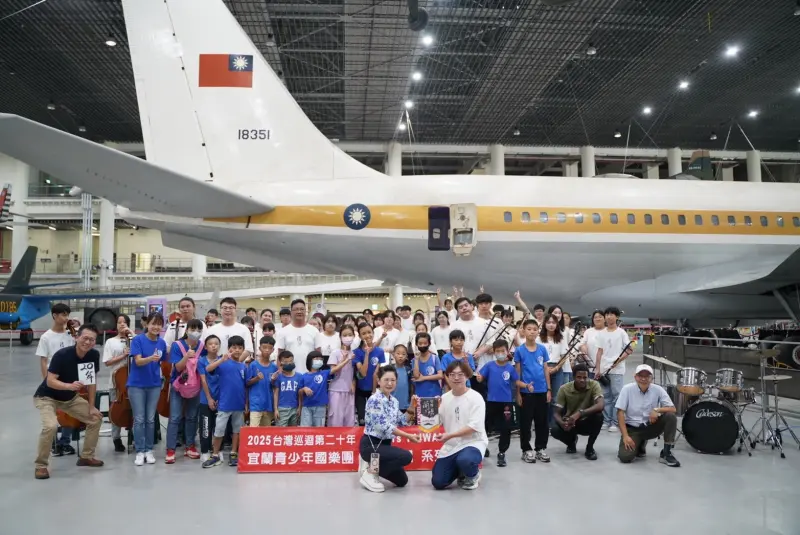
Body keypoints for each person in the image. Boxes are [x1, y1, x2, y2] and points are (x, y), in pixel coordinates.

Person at [33, 324, 104, 479]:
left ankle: (86, 456)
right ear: (76, 337)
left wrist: (91, 407)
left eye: (92, 340)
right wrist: (69, 386)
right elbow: (50, 381)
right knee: (50, 426)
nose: (88, 342)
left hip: (69, 398)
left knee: (95, 419)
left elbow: (91, 382)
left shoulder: (93, 355)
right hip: (47, 397)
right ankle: (41, 465)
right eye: (85, 338)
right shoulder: (62, 355)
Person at [359, 365, 420, 493]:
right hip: (371, 445)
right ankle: (370, 473)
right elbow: (383, 426)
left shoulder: (394, 401)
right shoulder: (374, 400)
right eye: (386, 380)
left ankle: (373, 467)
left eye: (393, 380)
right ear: (379, 381)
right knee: (406, 456)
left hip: (385, 446)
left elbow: (402, 421)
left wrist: (412, 407)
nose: (389, 383)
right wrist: (408, 436)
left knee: (402, 481)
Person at [431, 360, 488, 490]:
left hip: (472, 442)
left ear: (467, 376)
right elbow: (434, 423)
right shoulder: (444, 398)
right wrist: (430, 410)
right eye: (452, 374)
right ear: (447, 377)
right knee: (438, 482)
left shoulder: (475, 398)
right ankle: (461, 470)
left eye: (460, 374)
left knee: (465, 460)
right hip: (451, 446)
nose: (456, 378)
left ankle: (473, 474)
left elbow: (473, 427)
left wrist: (450, 435)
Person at [475, 339, 529, 467]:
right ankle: (482, 447)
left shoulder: (510, 368)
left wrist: (526, 385)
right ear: (494, 352)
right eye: (497, 351)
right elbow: (480, 377)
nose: (500, 353)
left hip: (506, 403)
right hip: (491, 402)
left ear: (507, 352)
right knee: (486, 426)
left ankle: (501, 453)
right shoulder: (489, 366)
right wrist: (479, 378)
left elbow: (516, 382)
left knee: (506, 428)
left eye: (502, 351)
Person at [616, 364, 680, 467]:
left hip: (650, 426)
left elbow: (673, 408)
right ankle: (640, 443)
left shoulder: (658, 389)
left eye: (647, 376)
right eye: (640, 375)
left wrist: (657, 410)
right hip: (633, 429)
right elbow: (620, 413)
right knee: (625, 457)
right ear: (635, 377)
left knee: (670, 416)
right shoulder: (626, 389)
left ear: (651, 378)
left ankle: (666, 453)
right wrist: (625, 436)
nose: (643, 379)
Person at [36, 303, 77, 456]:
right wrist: (46, 381)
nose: (66, 318)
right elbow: (43, 360)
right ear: (55, 316)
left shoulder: (71, 335)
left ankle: (65, 442)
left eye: (67, 315)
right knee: (52, 413)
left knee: (69, 411)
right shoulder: (46, 337)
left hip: (69, 379)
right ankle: (53, 443)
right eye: (63, 315)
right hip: (52, 379)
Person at [128, 313, 168, 466]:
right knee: (139, 419)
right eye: (153, 323)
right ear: (147, 324)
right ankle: (139, 451)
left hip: (154, 385)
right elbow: (137, 361)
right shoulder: (138, 340)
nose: (156, 327)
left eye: (159, 324)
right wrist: (151, 358)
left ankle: (149, 450)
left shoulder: (162, 343)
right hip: (136, 385)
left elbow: (164, 363)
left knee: (150, 419)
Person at [202, 336, 247, 468]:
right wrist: (222, 359)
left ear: (243, 349)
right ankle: (215, 455)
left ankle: (233, 453)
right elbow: (208, 369)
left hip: (238, 405)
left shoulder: (244, 366)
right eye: (234, 347)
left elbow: (245, 386)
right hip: (224, 404)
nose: (237, 350)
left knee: (237, 430)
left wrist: (246, 404)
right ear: (229, 349)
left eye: (240, 348)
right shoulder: (222, 363)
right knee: (219, 430)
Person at [165, 318, 205, 463]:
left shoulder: (202, 346)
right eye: (193, 329)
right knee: (175, 417)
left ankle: (190, 446)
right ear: (187, 330)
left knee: (192, 417)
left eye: (199, 330)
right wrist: (186, 357)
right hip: (179, 386)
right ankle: (170, 449)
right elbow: (177, 368)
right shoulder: (177, 345)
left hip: (195, 387)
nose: (196, 332)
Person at [513, 319, 551, 463]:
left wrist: (548, 389)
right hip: (526, 393)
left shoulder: (542, 349)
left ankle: (540, 448)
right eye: (529, 329)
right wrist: (518, 392)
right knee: (526, 422)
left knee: (542, 422)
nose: (532, 331)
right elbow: (517, 372)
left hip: (541, 391)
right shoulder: (519, 350)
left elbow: (546, 369)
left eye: (535, 329)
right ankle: (526, 449)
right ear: (523, 330)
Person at [550, 364, 604, 460]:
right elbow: (556, 413)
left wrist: (580, 413)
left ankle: (590, 448)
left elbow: (600, 405)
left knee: (599, 416)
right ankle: (571, 443)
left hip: (586, 421)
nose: (582, 380)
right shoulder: (564, 389)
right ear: (573, 377)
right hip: (571, 423)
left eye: (585, 377)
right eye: (579, 377)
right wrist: (562, 424)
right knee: (554, 430)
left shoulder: (594, 385)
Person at [594, 306, 632, 432]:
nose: (609, 317)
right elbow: (599, 351)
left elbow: (629, 350)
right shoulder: (601, 333)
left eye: (612, 314)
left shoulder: (621, 333)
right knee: (605, 396)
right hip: (604, 370)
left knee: (617, 395)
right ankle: (606, 420)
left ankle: (615, 423)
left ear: (617, 317)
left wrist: (617, 362)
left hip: (617, 370)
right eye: (607, 314)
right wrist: (597, 368)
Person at [102, 313, 132, 452]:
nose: (122, 324)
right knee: (116, 411)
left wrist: (131, 336)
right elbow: (107, 362)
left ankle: (133, 435)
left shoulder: (134, 340)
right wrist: (123, 355)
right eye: (119, 322)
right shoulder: (110, 342)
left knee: (134, 411)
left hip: (133, 382)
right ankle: (116, 438)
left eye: (124, 322)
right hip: (116, 383)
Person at [300, 350, 350, 426]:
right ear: (310, 360)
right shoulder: (303, 376)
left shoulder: (324, 373)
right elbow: (299, 392)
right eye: (316, 359)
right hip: (306, 407)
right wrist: (304, 389)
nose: (319, 361)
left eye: (320, 359)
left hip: (320, 406)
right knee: (305, 431)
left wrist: (345, 360)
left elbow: (336, 368)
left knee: (319, 430)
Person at [353, 323, 385, 425]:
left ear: (373, 333)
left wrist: (374, 391)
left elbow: (378, 374)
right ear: (359, 336)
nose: (367, 335)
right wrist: (366, 354)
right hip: (360, 391)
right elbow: (362, 373)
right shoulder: (356, 352)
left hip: (375, 392)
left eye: (369, 332)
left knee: (375, 421)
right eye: (364, 333)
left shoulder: (380, 351)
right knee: (362, 421)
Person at [275, 299, 319, 373]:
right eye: (296, 309)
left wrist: (316, 372)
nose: (299, 311)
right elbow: (280, 354)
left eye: (302, 309)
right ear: (291, 312)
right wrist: (280, 371)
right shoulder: (282, 332)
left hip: (310, 374)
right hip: (289, 375)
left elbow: (318, 353)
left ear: (305, 311)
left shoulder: (314, 331)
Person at [198, 334, 222, 462]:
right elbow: (203, 380)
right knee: (206, 426)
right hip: (205, 399)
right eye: (210, 344)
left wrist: (220, 398)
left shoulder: (223, 360)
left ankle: (217, 450)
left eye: (216, 343)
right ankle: (205, 451)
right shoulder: (202, 361)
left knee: (219, 426)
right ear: (206, 347)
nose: (213, 346)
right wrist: (209, 398)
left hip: (221, 400)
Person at [326, 325, 356, 427]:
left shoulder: (354, 353)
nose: (347, 337)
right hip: (336, 390)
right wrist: (346, 360)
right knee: (335, 420)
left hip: (349, 391)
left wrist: (353, 383)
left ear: (354, 336)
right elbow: (332, 371)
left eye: (350, 335)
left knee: (349, 420)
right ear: (340, 337)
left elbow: (355, 373)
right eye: (344, 335)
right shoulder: (335, 353)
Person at [247, 336, 278, 427]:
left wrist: (272, 380)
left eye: (269, 348)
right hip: (255, 405)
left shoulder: (274, 367)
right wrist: (256, 378)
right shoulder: (253, 365)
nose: (267, 350)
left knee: (265, 434)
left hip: (268, 405)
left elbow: (275, 386)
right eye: (264, 347)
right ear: (260, 348)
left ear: (273, 350)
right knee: (253, 432)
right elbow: (247, 383)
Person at [273, 350, 302, 427]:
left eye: (291, 361)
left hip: (294, 408)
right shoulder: (279, 376)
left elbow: (300, 394)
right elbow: (276, 393)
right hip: (282, 409)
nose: (289, 363)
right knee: (280, 433)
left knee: (293, 432)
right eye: (286, 362)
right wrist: (276, 409)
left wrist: (299, 407)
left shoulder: (299, 376)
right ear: (281, 363)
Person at [411, 333, 442, 398]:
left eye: (425, 343)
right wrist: (416, 359)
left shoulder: (434, 358)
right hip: (420, 394)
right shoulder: (414, 360)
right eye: (420, 343)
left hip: (435, 394)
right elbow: (416, 376)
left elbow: (440, 375)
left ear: (429, 343)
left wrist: (424, 378)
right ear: (416, 344)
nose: (423, 345)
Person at [391, 344, 413, 413]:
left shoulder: (408, 370)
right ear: (393, 354)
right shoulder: (390, 369)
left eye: (403, 354)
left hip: (406, 405)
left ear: (406, 356)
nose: (400, 356)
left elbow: (412, 386)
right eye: (398, 353)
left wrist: (411, 403)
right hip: (392, 405)